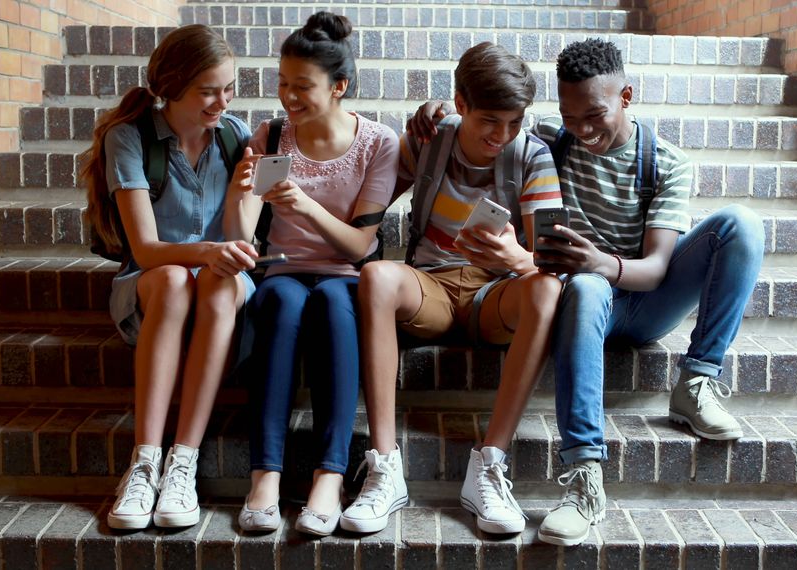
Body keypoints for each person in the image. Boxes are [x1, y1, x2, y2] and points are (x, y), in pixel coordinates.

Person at [409, 38, 765, 546]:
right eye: (569, 116)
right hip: (582, 301)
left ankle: (697, 381)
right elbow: (483, 120)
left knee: (741, 225)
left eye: (594, 113)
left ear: (626, 96)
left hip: (643, 301)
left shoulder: (664, 162)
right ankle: (584, 479)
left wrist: (599, 261)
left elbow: (659, 268)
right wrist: (435, 110)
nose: (583, 129)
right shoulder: (552, 145)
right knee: (589, 288)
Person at [340, 42, 565, 537]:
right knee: (376, 275)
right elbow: (367, 201)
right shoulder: (428, 140)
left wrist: (520, 261)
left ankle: (488, 465)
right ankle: (384, 468)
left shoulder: (532, 155)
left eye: (514, 121)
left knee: (546, 287)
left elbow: (550, 259)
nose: (502, 135)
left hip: (496, 294)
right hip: (432, 286)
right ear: (459, 104)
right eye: (490, 120)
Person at [82, 25, 259, 530]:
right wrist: (206, 251)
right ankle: (144, 462)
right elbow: (145, 250)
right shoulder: (129, 137)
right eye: (208, 90)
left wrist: (238, 204)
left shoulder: (236, 135)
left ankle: (183, 461)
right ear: (170, 86)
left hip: (217, 290)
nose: (221, 101)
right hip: (153, 285)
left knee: (217, 280)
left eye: (229, 88)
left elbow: (241, 235)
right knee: (177, 280)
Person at [234, 12, 399, 537]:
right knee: (282, 301)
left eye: (303, 86)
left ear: (340, 86)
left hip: (345, 276)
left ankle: (329, 475)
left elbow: (360, 246)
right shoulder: (272, 134)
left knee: (331, 302)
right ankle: (265, 474)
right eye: (283, 83)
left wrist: (304, 206)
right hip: (282, 270)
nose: (289, 97)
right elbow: (241, 235)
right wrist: (243, 193)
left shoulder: (377, 143)